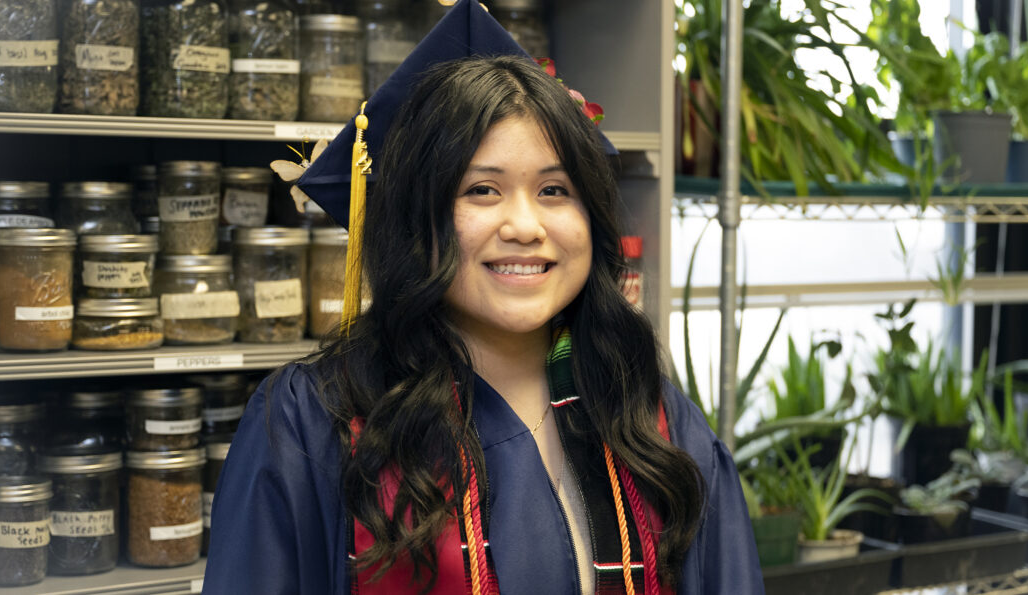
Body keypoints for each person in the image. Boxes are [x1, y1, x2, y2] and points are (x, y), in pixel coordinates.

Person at [203, 2, 763, 594]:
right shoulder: (317, 421)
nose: (525, 224)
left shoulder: (650, 417)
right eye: (481, 189)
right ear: (415, 220)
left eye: (554, 189)